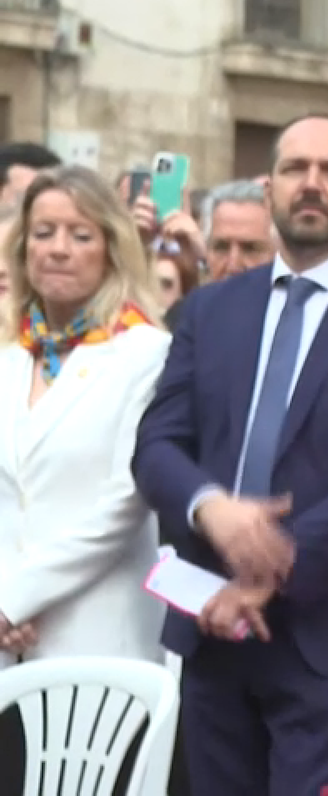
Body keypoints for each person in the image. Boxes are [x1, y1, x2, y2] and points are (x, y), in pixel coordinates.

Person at [132, 113, 328, 794]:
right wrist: (212, 510)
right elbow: (157, 444)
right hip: (213, 626)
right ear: (268, 187)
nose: (312, 184)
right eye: (296, 169)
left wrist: (273, 562)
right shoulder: (211, 311)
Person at [0, 166, 168, 668]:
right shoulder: (10, 355)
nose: (57, 249)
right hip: (9, 643)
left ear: (111, 249)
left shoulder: (145, 352)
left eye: (80, 235)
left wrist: (18, 599)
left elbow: (124, 502)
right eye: (44, 233)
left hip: (96, 636)